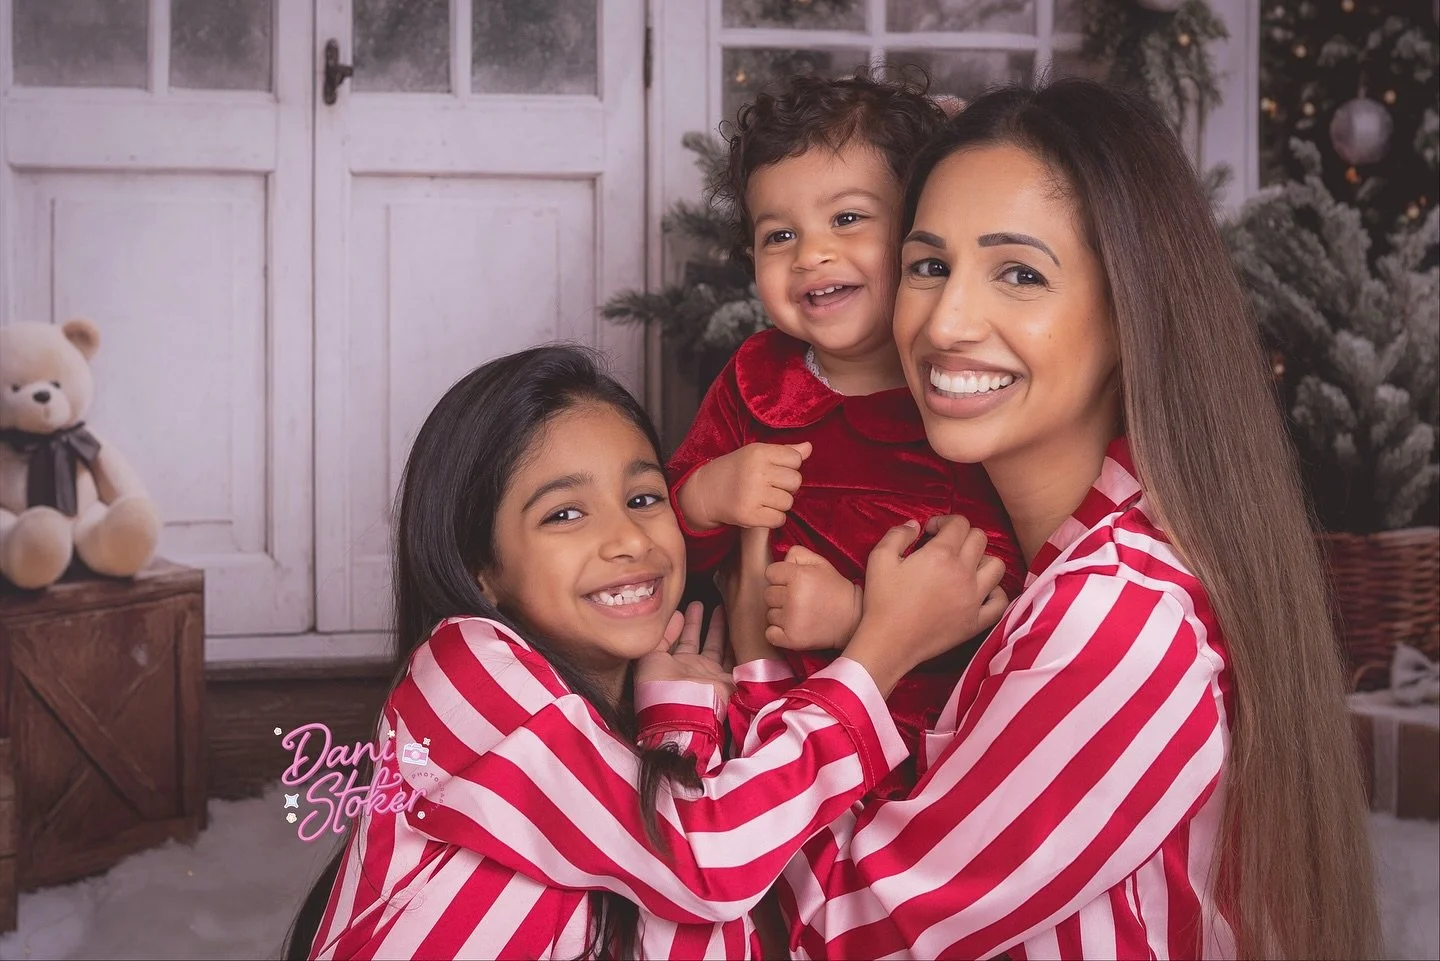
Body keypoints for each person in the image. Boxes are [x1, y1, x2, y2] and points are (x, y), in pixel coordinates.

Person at [656, 78, 1381, 959]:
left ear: (1129, 314)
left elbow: (844, 932)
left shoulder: (1116, 624)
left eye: (1020, 273)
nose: (947, 321)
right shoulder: (1065, 552)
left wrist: (767, 658)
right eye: (929, 265)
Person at [282, 345, 1003, 960]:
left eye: (645, 497)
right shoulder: (463, 670)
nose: (628, 538)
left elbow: (700, 927)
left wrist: (679, 720)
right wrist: (877, 655)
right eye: (565, 513)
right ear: (481, 568)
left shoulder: (636, 708)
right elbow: (706, 864)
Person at [666, 71, 1023, 794]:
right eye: (780, 235)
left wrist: (855, 613)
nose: (811, 255)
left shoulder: (956, 389)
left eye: (849, 219)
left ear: (918, 229)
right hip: (751, 708)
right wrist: (705, 495)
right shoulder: (755, 377)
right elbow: (668, 539)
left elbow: (1001, 587)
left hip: (901, 738)